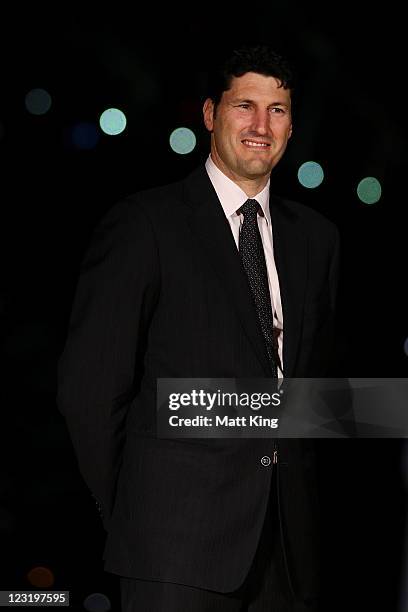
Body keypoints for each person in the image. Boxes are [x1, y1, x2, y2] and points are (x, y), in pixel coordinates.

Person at [57, 44, 340, 611]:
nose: (261, 125)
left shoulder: (317, 239)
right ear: (211, 114)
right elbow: (88, 394)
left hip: (289, 557)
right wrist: (140, 512)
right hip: (172, 551)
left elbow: (311, 400)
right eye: (245, 106)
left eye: (277, 110)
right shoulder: (145, 224)